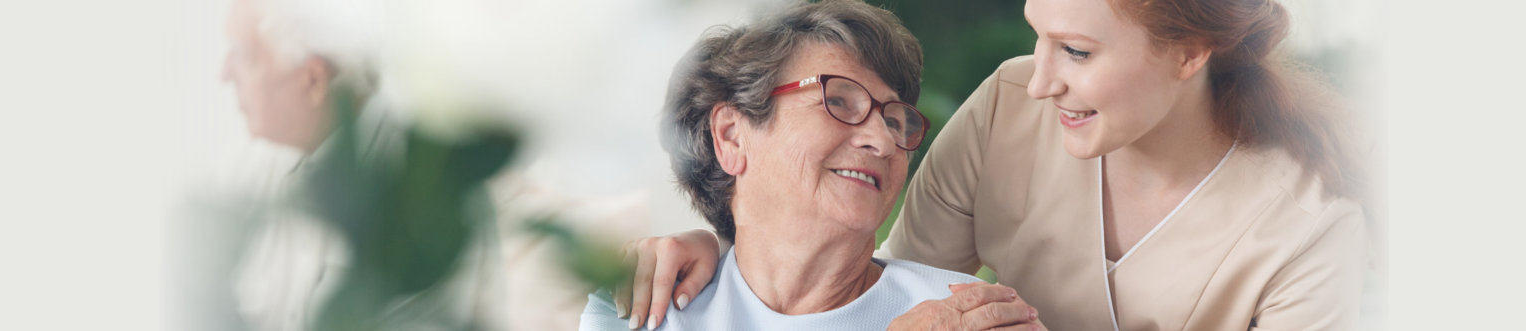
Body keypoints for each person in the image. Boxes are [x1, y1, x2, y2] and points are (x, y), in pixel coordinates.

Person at [618, 0, 1373, 329]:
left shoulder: (1306, 234)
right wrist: (725, 244)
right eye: (1036, 34)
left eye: (1076, 51)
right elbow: (870, 285)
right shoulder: (1012, 103)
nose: (1039, 77)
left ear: (1190, 52)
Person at [580, 1, 1045, 330]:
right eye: (840, 100)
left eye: (894, 120)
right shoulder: (641, 304)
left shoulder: (968, 315)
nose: (882, 140)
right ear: (731, 135)